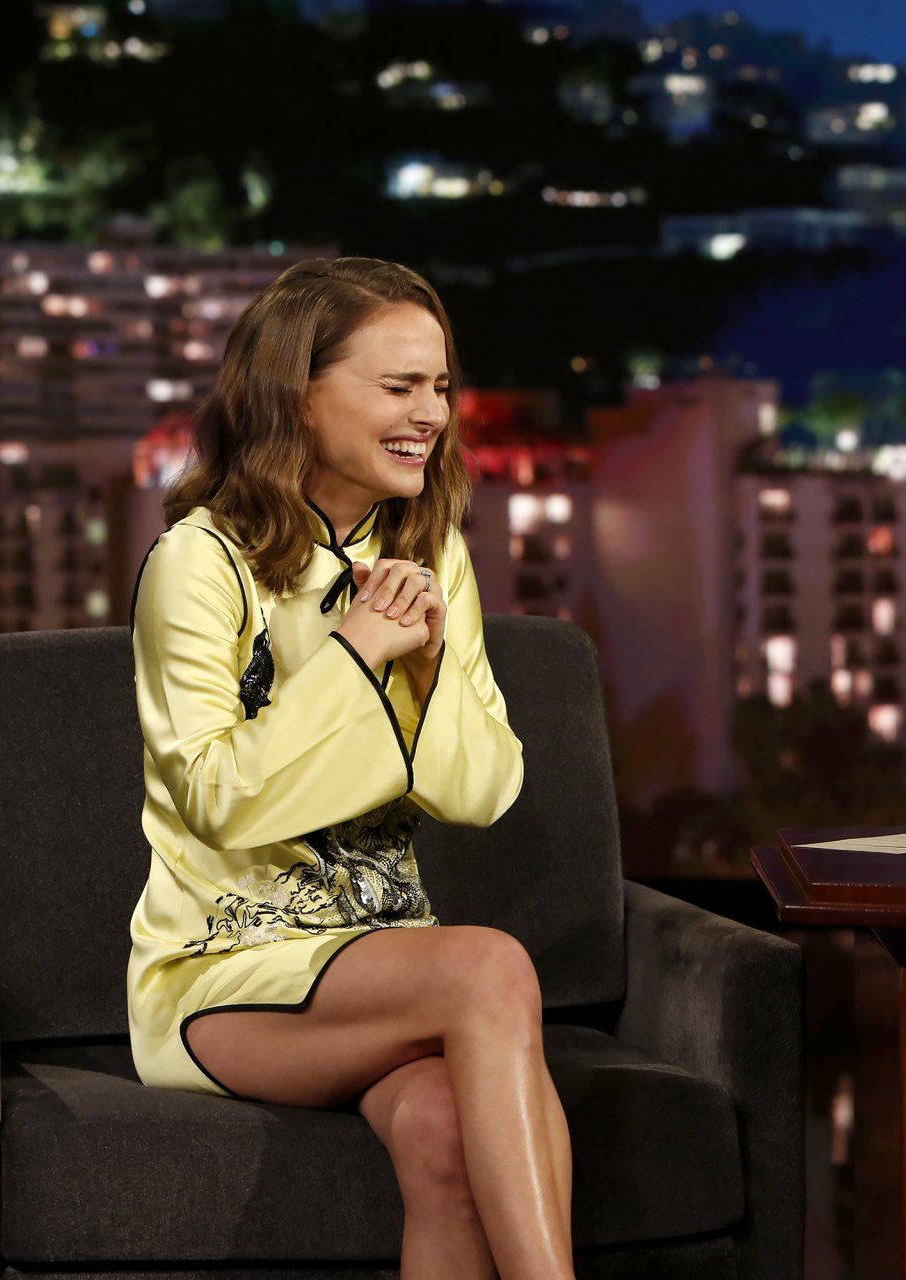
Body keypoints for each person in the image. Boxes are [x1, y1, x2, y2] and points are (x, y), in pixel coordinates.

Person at [126, 257, 573, 1279]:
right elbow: (220, 801)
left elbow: (482, 792)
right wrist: (356, 654)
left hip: (381, 958)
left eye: (441, 387)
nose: (432, 415)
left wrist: (425, 673)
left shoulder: (431, 550)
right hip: (221, 973)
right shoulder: (199, 562)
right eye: (399, 386)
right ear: (298, 394)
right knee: (490, 966)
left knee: (444, 1134)